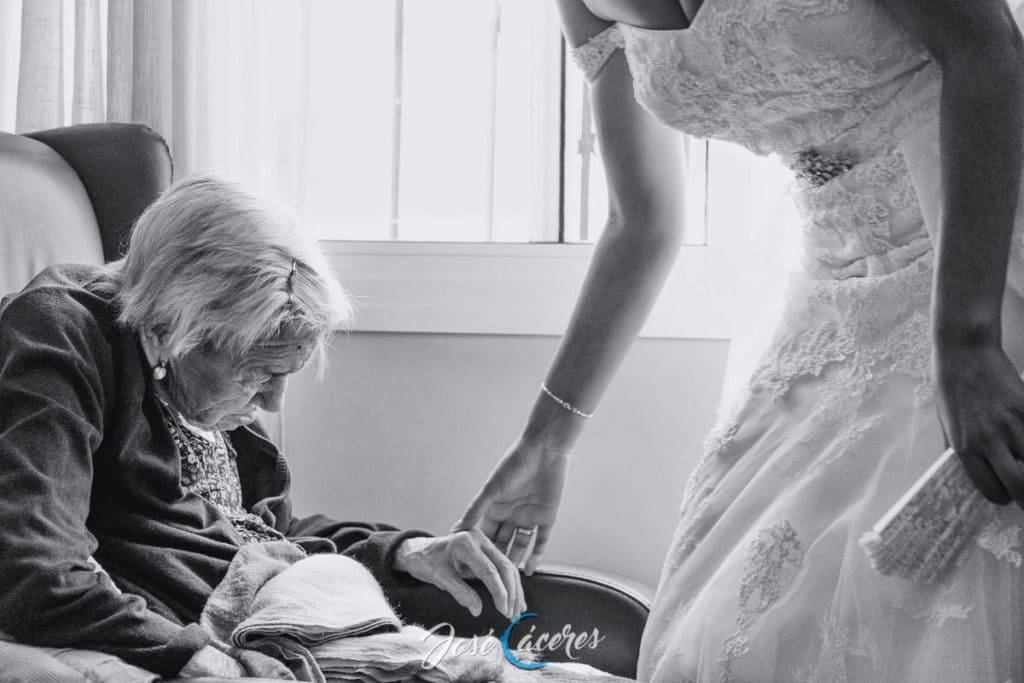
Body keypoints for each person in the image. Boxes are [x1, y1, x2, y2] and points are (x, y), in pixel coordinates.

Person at [456, 0, 1024, 680]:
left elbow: (988, 49)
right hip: (835, 293)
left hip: (983, 256)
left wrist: (967, 339)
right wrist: (545, 442)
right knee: (736, 626)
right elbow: (642, 219)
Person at [0, 175, 525, 679]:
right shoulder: (59, 336)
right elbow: (37, 570)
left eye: (285, 374)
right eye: (258, 374)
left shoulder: (210, 389)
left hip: (283, 618)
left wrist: (407, 551)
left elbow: (263, 530)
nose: (272, 403)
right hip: (226, 637)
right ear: (169, 330)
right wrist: (201, 659)